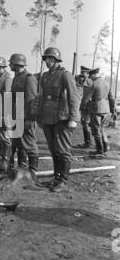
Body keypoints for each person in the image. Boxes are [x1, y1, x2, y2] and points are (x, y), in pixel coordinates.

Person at [39, 47, 80, 192]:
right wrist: (39, 115)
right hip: (47, 116)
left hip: (62, 116)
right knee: (53, 149)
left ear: (56, 60)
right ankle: (56, 177)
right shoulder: (45, 76)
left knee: (63, 150)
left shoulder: (65, 75)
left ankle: (63, 180)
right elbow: (42, 96)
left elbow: (73, 97)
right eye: (46, 59)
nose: (47, 62)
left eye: (50, 59)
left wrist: (74, 118)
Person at [9, 54, 39, 175]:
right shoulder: (16, 77)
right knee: (17, 141)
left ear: (17, 64)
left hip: (26, 115)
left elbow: (32, 99)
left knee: (29, 141)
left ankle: (32, 170)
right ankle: (22, 166)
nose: (10, 65)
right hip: (16, 114)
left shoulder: (29, 78)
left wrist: (30, 118)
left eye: (11, 63)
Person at [81, 68, 115, 156]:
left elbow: (86, 98)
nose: (90, 78)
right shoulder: (107, 83)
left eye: (90, 76)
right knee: (102, 129)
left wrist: (82, 106)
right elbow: (111, 98)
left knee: (96, 130)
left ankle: (99, 150)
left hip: (96, 109)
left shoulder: (94, 84)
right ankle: (106, 147)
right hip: (105, 109)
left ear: (92, 75)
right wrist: (112, 110)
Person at [74, 66, 93, 148]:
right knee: (84, 123)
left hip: (89, 105)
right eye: (81, 73)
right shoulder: (85, 80)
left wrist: (79, 78)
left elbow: (83, 83)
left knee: (86, 123)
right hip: (85, 106)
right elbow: (79, 83)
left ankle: (88, 143)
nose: (82, 75)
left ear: (88, 74)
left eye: (83, 73)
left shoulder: (89, 81)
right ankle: (88, 142)